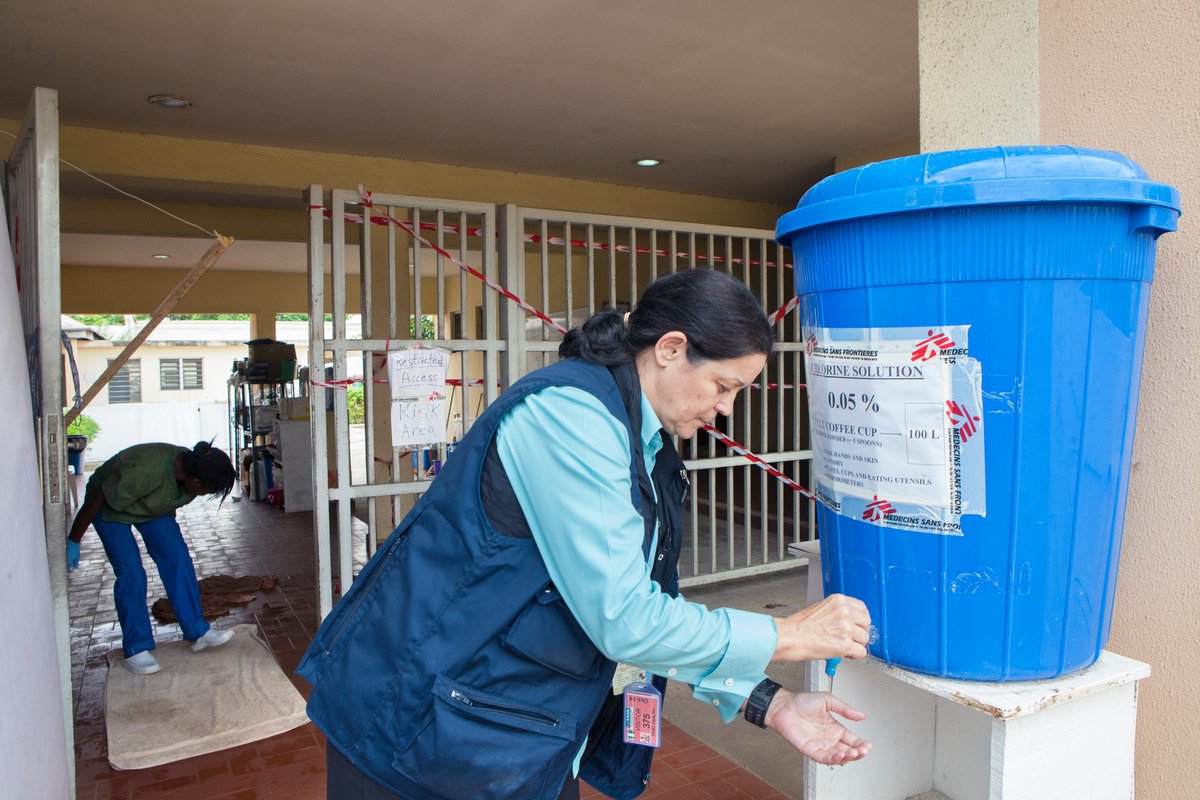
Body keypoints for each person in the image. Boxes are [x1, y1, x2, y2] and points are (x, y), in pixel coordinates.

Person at [299, 269, 873, 800]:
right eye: (724, 385)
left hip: (502, 730)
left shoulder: (643, 440)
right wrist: (789, 635)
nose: (725, 409)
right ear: (671, 350)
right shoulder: (573, 419)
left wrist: (768, 703)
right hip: (409, 724)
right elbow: (625, 621)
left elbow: (651, 612)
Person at [66, 440, 238, 675]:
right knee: (132, 573)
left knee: (177, 557)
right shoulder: (145, 471)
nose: (205, 495)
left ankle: (198, 632)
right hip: (109, 508)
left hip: (150, 509)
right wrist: (74, 539)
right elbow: (97, 498)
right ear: (195, 482)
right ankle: (136, 647)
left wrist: (167, 538)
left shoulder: (193, 470)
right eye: (207, 491)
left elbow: (168, 497)